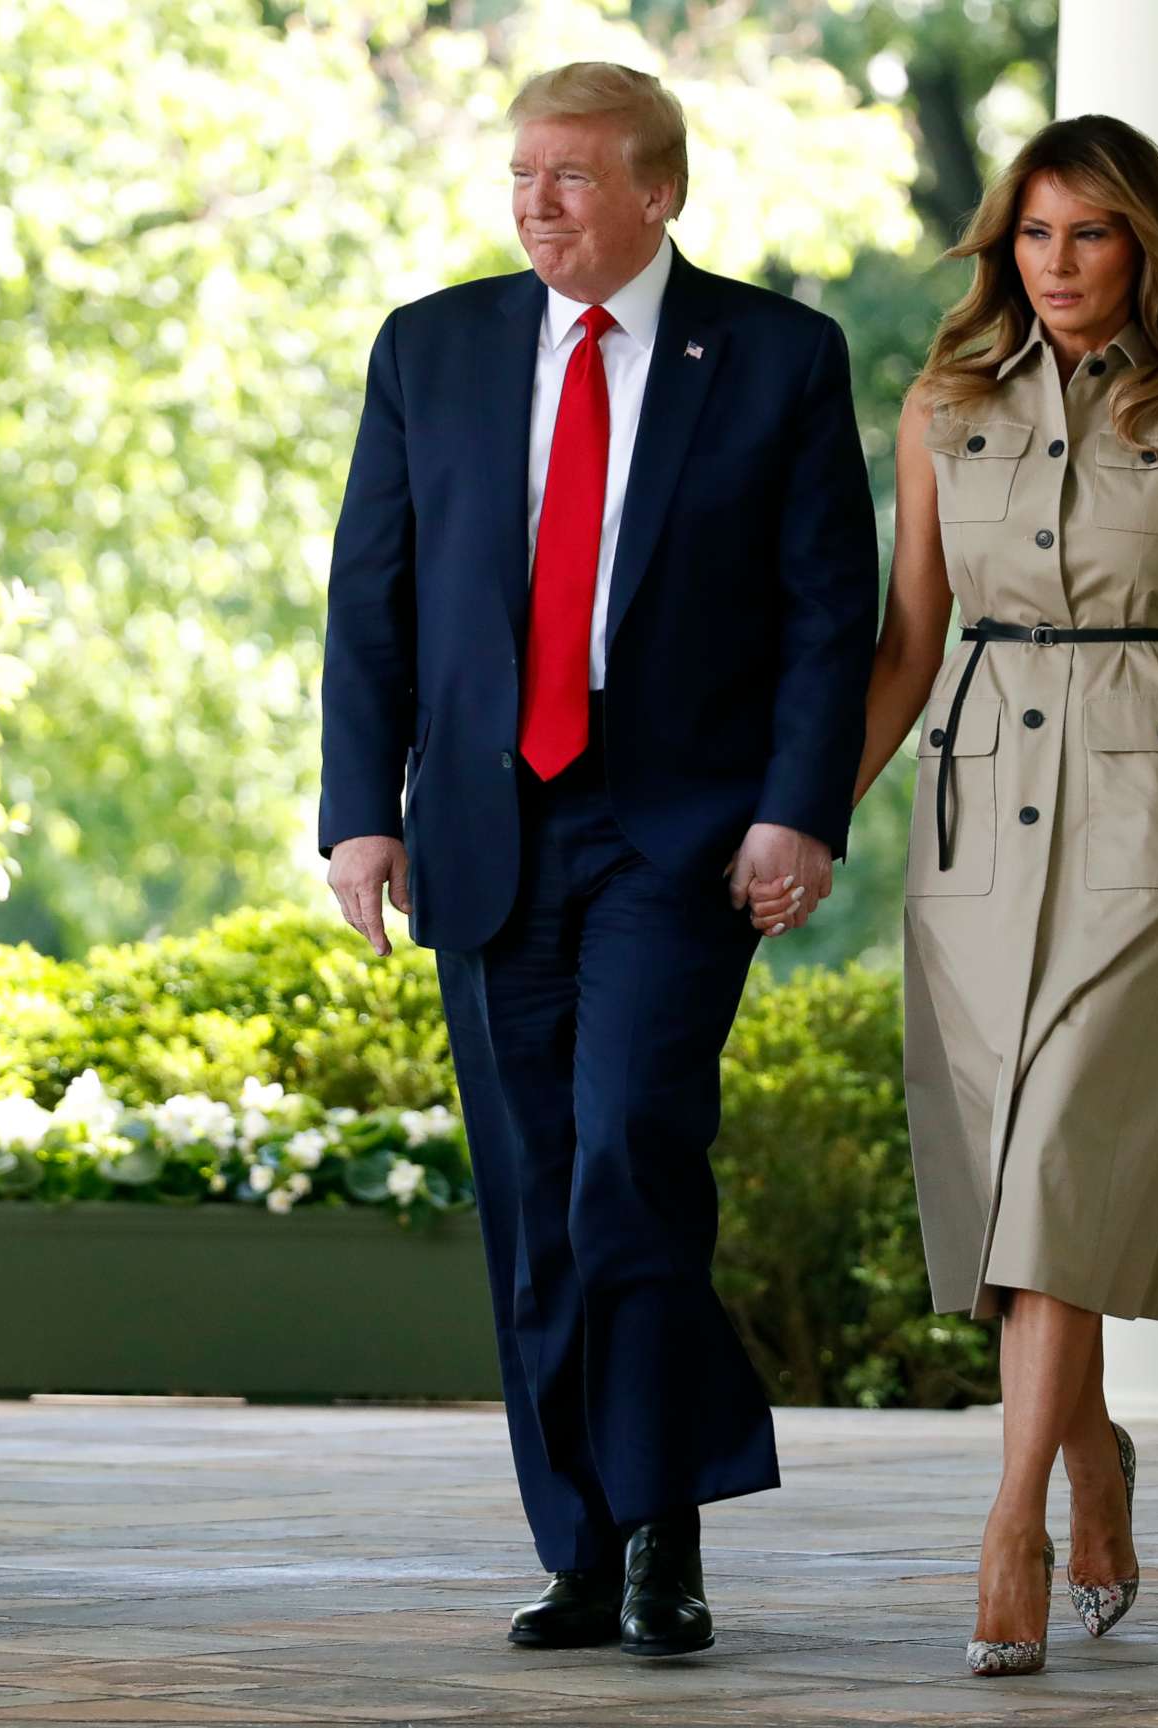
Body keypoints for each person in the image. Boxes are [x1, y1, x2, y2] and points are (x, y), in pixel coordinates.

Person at [747, 112, 1158, 1676]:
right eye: (1033, 235)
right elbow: (904, 649)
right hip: (975, 821)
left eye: (1089, 235)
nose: (1057, 265)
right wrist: (800, 824)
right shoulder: (943, 406)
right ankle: (1089, 1457)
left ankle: (1006, 1528)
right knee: (1006, 1181)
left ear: (1143, 245)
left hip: (1151, 811)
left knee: (1064, 1157)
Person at [317, 61, 878, 1658]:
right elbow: (375, 595)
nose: (536, 205)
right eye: (520, 177)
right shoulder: (432, 349)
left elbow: (832, 612)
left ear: (659, 192)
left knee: (633, 1150)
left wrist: (802, 807)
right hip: (488, 829)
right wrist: (364, 808)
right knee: (535, 1201)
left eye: (570, 177)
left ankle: (664, 1532)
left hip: (680, 829)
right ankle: (580, 1543)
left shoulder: (776, 356)